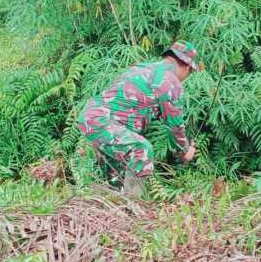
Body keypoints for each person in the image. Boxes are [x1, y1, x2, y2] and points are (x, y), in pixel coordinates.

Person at [77, 41, 199, 196]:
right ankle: (132, 207)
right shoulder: (169, 81)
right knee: (142, 150)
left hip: (92, 118)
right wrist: (184, 150)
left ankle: (109, 208)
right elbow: (174, 125)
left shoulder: (142, 68)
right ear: (187, 67)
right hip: (102, 123)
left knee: (116, 179)